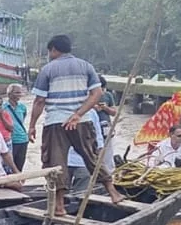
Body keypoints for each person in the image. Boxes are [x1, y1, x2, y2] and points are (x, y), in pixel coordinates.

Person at [27, 34, 125, 214]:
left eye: (50, 51)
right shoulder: (86, 66)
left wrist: (32, 125)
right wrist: (78, 114)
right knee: (92, 156)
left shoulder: (48, 69)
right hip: (83, 120)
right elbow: (96, 94)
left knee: (56, 163)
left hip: (55, 122)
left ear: (54, 49)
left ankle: (59, 206)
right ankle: (113, 192)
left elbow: (39, 100)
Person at [66, 115, 112, 193]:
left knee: (81, 193)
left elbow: (98, 139)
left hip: (82, 162)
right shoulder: (59, 111)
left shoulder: (91, 113)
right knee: (61, 190)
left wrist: (99, 163)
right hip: (65, 161)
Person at [3, 83, 29, 171]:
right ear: (9, 94)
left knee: (20, 165)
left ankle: (18, 183)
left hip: (23, 139)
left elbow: (22, 120)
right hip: (10, 140)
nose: (19, 95)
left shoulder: (22, 107)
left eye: (20, 93)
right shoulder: (3, 107)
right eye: (16, 93)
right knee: (9, 166)